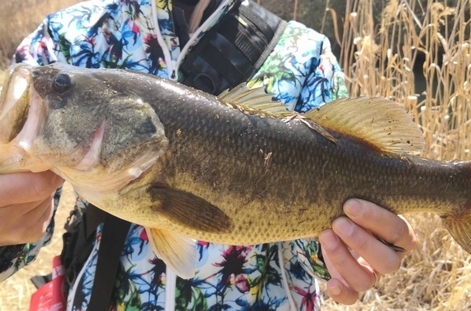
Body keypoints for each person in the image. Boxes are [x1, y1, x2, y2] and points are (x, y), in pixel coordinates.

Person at [0, 0, 417, 309]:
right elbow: (24, 234)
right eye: (61, 87)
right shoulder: (65, 42)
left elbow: (313, 248)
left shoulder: (306, 56)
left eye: (60, 87)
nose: (48, 89)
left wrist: (349, 254)